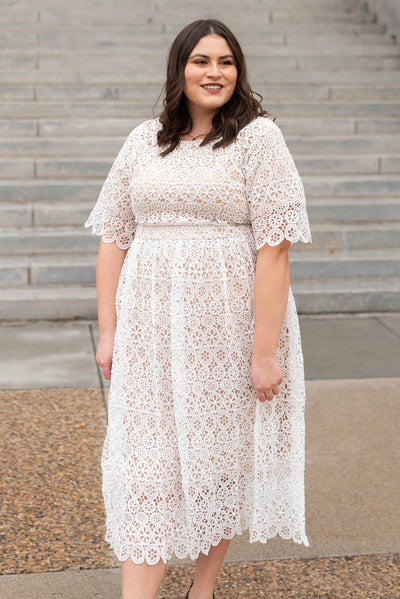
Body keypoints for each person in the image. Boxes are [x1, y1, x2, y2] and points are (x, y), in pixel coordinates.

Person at [85, 17, 312, 599]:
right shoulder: (144, 139)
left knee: (217, 459)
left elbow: (275, 249)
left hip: (226, 326)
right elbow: (113, 237)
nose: (214, 73)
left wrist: (264, 354)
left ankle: (202, 589)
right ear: (179, 69)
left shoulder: (258, 139)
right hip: (150, 328)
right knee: (144, 465)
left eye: (226, 62)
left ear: (239, 71)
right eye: (201, 61)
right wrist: (108, 333)